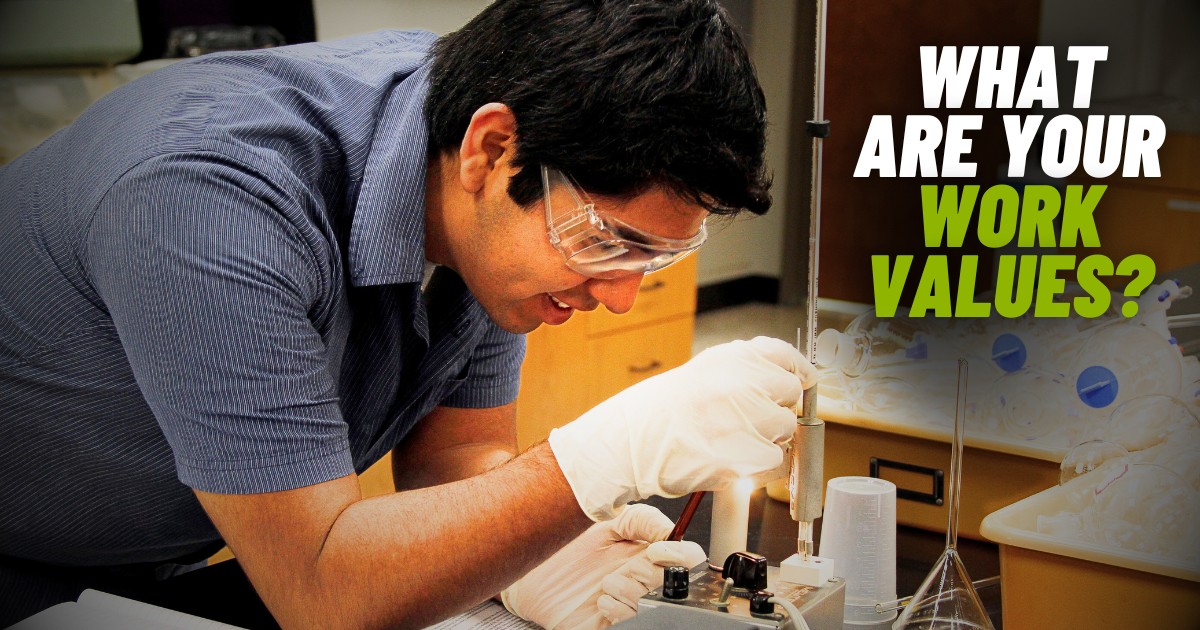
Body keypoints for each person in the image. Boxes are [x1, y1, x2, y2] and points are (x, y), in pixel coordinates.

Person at [0, 0, 816, 627]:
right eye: (607, 242)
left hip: (180, 550)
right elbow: (324, 595)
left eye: (658, 258)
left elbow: (460, 455)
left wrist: (533, 559)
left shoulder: (473, 188)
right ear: (492, 151)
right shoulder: (207, 200)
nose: (620, 294)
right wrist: (596, 460)